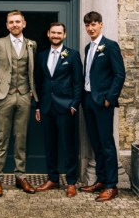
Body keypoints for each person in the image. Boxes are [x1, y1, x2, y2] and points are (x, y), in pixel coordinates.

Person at [0, 10, 38, 197]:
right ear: (7, 25)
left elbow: (32, 70)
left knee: (21, 138)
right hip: (3, 96)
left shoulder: (32, 44)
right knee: (2, 138)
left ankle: (20, 176)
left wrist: (31, 91)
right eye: (11, 22)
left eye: (17, 21)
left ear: (24, 23)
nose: (14, 24)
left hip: (23, 96)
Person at [79, 11, 125, 202]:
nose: (90, 28)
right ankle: (101, 179)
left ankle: (112, 186)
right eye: (88, 25)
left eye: (94, 24)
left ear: (101, 25)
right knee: (95, 142)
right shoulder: (88, 48)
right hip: (88, 100)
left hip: (102, 101)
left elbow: (119, 74)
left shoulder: (110, 46)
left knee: (106, 143)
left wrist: (110, 98)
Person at [34, 22, 83, 197]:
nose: (56, 35)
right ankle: (53, 179)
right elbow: (38, 83)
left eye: (59, 33)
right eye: (53, 32)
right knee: (50, 145)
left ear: (65, 35)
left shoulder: (73, 55)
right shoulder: (41, 56)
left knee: (68, 145)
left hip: (65, 107)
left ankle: (71, 182)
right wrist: (38, 106)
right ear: (48, 34)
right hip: (47, 107)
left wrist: (74, 105)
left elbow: (78, 83)